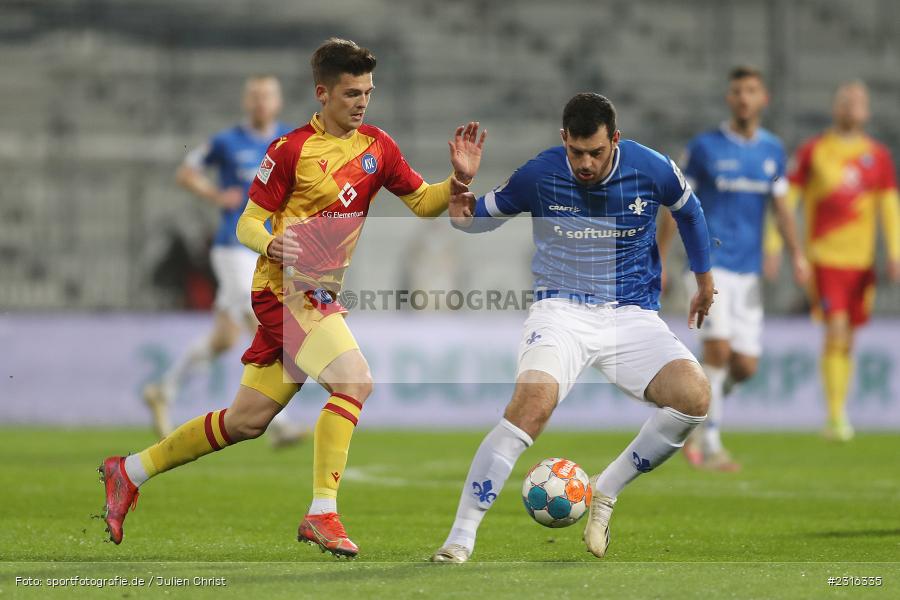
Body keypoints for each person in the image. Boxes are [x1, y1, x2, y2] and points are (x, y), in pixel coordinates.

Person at [99, 38, 486, 558]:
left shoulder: (378, 147)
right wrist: (271, 241)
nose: (362, 102)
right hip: (283, 292)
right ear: (323, 93)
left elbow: (421, 202)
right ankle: (322, 512)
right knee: (355, 380)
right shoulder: (290, 150)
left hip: (314, 296)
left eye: (368, 92)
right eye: (351, 93)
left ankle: (130, 471)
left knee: (246, 421)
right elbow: (247, 222)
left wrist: (457, 180)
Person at [431, 93, 713, 563]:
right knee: (531, 406)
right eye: (576, 151)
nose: (585, 163)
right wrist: (460, 181)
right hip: (561, 311)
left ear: (614, 140)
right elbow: (469, 220)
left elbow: (690, 210)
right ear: (564, 139)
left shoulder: (652, 168)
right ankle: (461, 537)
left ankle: (606, 490)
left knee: (694, 398)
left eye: (596, 152)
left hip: (631, 315)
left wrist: (704, 281)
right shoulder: (540, 174)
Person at [657, 66, 808, 470]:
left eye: (752, 91)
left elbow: (782, 208)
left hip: (750, 270)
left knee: (744, 365)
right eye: (738, 91)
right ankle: (711, 447)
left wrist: (797, 253)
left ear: (764, 99)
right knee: (719, 351)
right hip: (711, 263)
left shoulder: (772, 150)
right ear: (729, 98)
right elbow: (676, 202)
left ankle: (696, 402)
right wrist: (659, 255)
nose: (744, 97)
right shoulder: (705, 148)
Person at [143, 75, 306, 448]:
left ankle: (162, 389)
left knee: (223, 339)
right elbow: (186, 173)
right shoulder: (225, 142)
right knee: (263, 320)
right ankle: (280, 423)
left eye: (267, 96)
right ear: (246, 102)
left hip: (268, 249)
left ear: (277, 102)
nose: (261, 102)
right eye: (255, 96)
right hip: (232, 246)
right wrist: (216, 194)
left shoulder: (289, 141)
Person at [766, 81, 899, 442]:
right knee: (836, 329)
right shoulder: (815, 151)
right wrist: (775, 243)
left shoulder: (878, 156)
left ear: (867, 111)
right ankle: (837, 416)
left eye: (859, 101)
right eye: (846, 100)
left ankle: (839, 408)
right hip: (825, 259)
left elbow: (888, 206)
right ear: (835, 107)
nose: (852, 106)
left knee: (848, 339)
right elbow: (787, 199)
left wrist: (896, 253)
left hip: (862, 262)